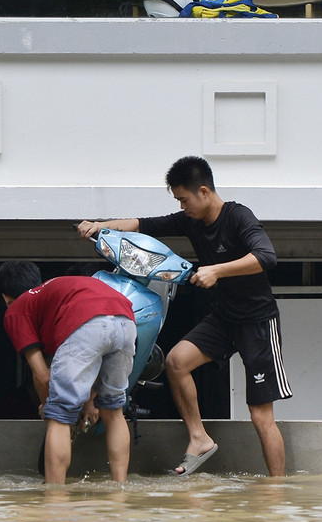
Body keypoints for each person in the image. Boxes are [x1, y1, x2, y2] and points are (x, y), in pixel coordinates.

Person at [77, 156, 291, 477]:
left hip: (256, 321)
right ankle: (199, 438)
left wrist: (216, 270)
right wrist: (101, 225)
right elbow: (143, 224)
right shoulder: (191, 220)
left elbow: (265, 256)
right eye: (178, 200)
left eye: (184, 199)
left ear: (203, 192)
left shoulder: (238, 216)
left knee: (260, 416)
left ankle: (278, 491)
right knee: (176, 363)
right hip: (223, 318)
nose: (182, 206)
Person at [0, 261, 138, 484]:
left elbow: (42, 375)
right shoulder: (56, 291)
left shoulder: (17, 309)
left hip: (85, 320)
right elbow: (94, 360)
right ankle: (120, 488)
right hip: (126, 320)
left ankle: (55, 497)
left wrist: (47, 406)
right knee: (113, 409)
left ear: (6, 298)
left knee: (59, 415)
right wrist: (90, 402)